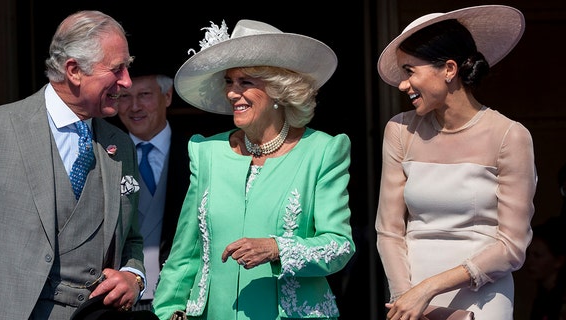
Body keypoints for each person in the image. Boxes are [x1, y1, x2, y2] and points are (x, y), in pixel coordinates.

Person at [0, 10, 147, 320]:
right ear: (74, 70)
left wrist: (133, 276)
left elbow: (133, 239)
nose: (126, 81)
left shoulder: (120, 145)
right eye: (117, 69)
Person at [151, 19, 355, 320]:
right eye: (229, 82)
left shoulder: (322, 151)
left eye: (245, 82)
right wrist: (168, 310)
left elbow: (339, 245)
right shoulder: (207, 152)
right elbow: (186, 250)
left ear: (277, 89)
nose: (233, 93)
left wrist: (277, 249)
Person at [375, 5, 537, 320]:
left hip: (483, 297)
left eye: (410, 71)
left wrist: (430, 288)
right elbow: (389, 230)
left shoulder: (509, 136)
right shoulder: (399, 131)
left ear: (449, 69)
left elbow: (513, 246)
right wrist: (405, 297)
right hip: (409, 300)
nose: (402, 85)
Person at [112, 54, 190, 311]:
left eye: (145, 95)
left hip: (182, 297)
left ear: (167, 97)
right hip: (121, 299)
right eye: (125, 97)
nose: (134, 106)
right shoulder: (102, 155)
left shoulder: (197, 152)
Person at [525, 216, 566, 320]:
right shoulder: (541, 296)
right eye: (528, 254)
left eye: (538, 255)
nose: (530, 261)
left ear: (558, 261)